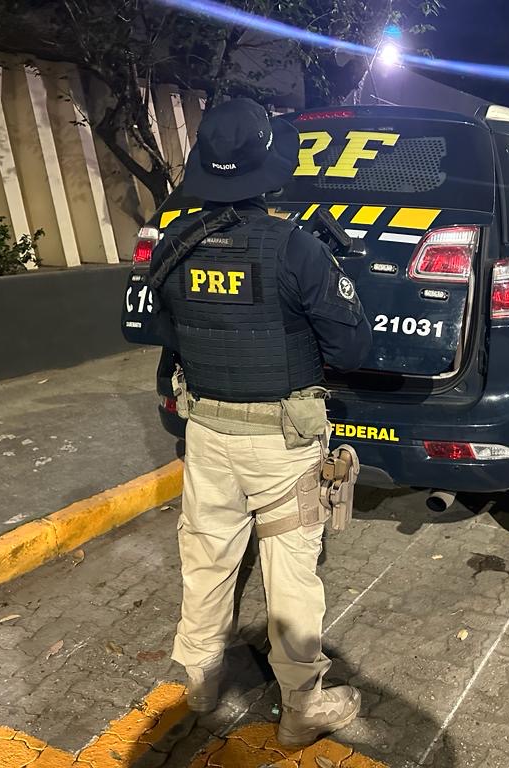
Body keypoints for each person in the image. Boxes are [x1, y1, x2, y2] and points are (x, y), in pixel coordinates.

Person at [147, 98, 373, 748]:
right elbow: (352, 348)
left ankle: (200, 684)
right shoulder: (296, 248)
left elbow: (167, 332)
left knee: (207, 558)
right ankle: (302, 706)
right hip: (283, 441)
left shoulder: (175, 244)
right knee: (291, 572)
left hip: (207, 435)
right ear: (266, 168)